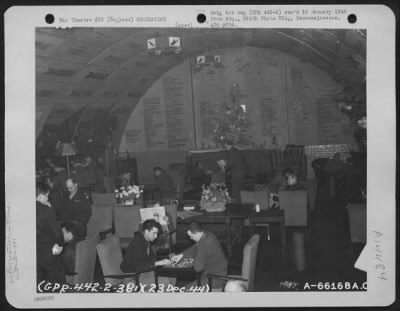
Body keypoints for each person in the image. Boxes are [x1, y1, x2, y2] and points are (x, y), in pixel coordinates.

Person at [171, 222, 228, 289]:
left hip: (215, 278)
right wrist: (182, 255)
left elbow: (198, 268)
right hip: (216, 272)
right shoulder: (207, 234)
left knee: (185, 290)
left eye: (191, 236)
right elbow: (196, 247)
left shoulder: (205, 244)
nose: (191, 238)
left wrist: (191, 261)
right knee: (190, 285)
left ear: (197, 233)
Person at [120, 219, 172, 287]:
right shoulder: (137, 244)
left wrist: (167, 258)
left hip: (142, 273)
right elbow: (138, 267)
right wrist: (158, 263)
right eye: (154, 233)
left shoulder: (145, 241)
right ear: (146, 231)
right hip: (132, 278)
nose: (156, 236)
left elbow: (151, 259)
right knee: (168, 281)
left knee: (172, 276)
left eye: (157, 233)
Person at [36, 182, 65, 285]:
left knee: (39, 284)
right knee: (57, 282)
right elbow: (56, 231)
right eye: (46, 196)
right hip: (48, 252)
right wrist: (61, 244)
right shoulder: (47, 210)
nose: (48, 199)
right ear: (40, 197)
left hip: (33, 254)